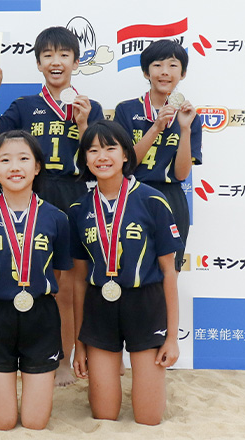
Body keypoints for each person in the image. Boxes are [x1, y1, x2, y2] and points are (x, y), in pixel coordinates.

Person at [0, 26, 103, 387]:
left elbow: (98, 157)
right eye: (47, 55)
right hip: (34, 195)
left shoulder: (89, 106)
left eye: (63, 54)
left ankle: (68, 357)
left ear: (76, 62)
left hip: (75, 196)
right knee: (37, 281)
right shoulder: (24, 106)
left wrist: (83, 124)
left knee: (71, 285)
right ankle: (40, 356)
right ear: (37, 64)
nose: (55, 61)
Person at [69, 120, 182, 425]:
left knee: (148, 418)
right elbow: (78, 280)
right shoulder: (78, 210)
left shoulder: (152, 200)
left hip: (145, 304)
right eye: (93, 150)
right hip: (99, 307)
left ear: (125, 155)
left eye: (110, 148)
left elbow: (168, 271)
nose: (102, 156)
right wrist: (79, 344)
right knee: (104, 414)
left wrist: (172, 338)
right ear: (85, 158)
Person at [0, 130, 72, 430]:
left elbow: (57, 273)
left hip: (41, 316)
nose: (15, 167)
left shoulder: (57, 218)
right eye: (5, 160)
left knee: (35, 423)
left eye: (24, 159)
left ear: (37, 167)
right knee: (3, 422)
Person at [113, 39, 202, 273]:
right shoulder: (126, 110)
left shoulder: (190, 116)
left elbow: (181, 174)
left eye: (173, 65)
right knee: (130, 268)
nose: (164, 72)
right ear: (146, 72)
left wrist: (184, 129)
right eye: (157, 65)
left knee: (169, 271)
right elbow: (125, 165)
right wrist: (156, 127)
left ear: (183, 73)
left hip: (171, 197)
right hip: (131, 193)